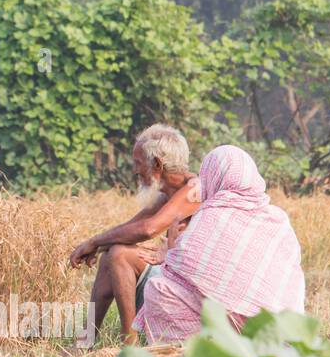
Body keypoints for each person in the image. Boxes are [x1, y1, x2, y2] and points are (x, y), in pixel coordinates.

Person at [133, 144, 305, 344]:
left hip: (239, 330)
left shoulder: (209, 216)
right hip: (283, 332)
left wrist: (171, 252)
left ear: (210, 178)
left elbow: (182, 274)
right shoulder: (278, 219)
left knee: (158, 288)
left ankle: (185, 355)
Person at [68, 124, 201, 345]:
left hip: (188, 292)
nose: (134, 170)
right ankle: (85, 340)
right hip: (172, 277)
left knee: (119, 253)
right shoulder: (167, 193)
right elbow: (133, 227)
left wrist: (93, 242)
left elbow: (149, 229)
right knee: (111, 253)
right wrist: (97, 246)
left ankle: (129, 342)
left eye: (138, 163)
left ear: (157, 164)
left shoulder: (194, 189)